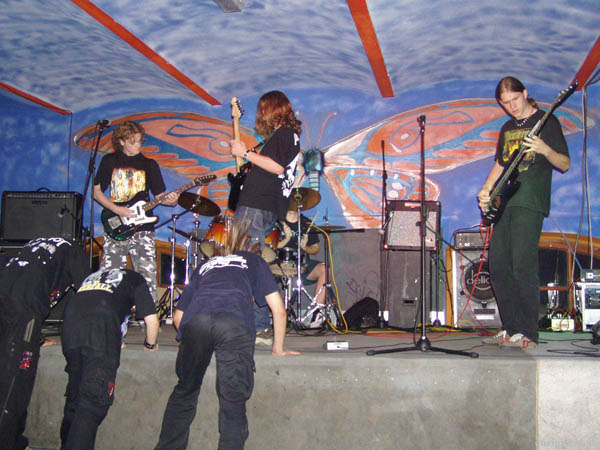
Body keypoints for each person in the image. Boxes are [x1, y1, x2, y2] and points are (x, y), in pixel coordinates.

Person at [155, 222, 299, 450]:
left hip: (196, 322)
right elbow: (278, 310)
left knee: (184, 392)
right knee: (232, 400)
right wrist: (277, 348)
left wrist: (196, 343)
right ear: (248, 247)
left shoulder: (206, 265)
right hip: (234, 323)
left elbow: (178, 317)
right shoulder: (255, 261)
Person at [478, 76, 570, 349]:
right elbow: (500, 163)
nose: (512, 107)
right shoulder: (507, 128)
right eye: (505, 103)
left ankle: (528, 331)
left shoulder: (546, 121)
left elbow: (564, 163)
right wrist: (486, 190)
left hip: (529, 201)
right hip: (504, 203)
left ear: (525, 93)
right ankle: (511, 328)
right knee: (498, 267)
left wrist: (545, 149)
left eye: (515, 100)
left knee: (522, 265)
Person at [0, 237, 90, 450]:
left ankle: (14, 440)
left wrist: (35, 337)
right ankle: (8, 443)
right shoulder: (75, 252)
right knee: (18, 379)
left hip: (6, 297)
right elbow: (87, 293)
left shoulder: (34, 245)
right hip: (25, 309)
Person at [229, 91, 302, 342]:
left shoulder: (285, 134)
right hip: (263, 207)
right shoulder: (286, 136)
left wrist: (246, 154)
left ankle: (258, 325)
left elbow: (277, 167)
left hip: (256, 207)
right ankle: (258, 323)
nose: (260, 114)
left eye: (263, 109)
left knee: (247, 265)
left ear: (272, 109)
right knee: (252, 265)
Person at [59, 268, 159, 450]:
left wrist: (115, 339)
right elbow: (151, 320)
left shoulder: (93, 277)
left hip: (70, 326)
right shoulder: (137, 279)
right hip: (99, 329)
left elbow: (98, 304)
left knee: (75, 397)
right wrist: (150, 345)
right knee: (93, 402)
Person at [93, 120, 180, 307]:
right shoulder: (109, 161)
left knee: (147, 275)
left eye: (140, 141)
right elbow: (96, 192)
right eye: (133, 142)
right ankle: (108, 312)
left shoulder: (149, 164)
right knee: (110, 274)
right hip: (116, 223)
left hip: (143, 227)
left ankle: (147, 317)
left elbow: (160, 197)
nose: (138, 145)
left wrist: (172, 200)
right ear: (122, 141)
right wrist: (117, 209)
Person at [277, 209, 327, 327]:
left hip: (301, 265)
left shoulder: (306, 223)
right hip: (277, 265)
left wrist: (305, 247)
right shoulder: (276, 221)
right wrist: (286, 239)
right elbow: (268, 246)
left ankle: (317, 313)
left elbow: (315, 249)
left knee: (324, 269)